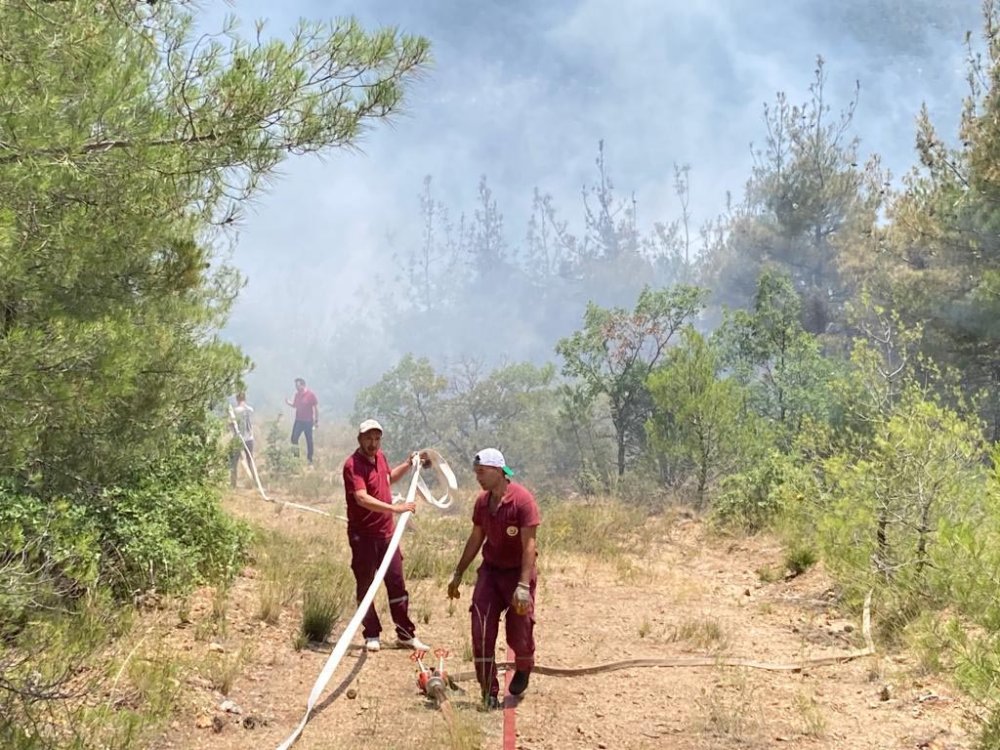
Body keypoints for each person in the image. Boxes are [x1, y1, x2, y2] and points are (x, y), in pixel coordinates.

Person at [448, 448, 541, 709]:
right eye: (476, 472)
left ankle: (523, 667)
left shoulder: (523, 501)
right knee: (481, 628)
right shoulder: (482, 502)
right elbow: (476, 538)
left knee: (519, 630)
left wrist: (523, 586)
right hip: (491, 572)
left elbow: (529, 546)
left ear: (499, 470)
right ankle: (488, 690)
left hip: (517, 574)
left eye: (483, 472)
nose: (478, 477)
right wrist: (458, 572)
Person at [342, 418, 430, 653]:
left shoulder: (380, 457)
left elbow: (388, 479)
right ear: (359, 439)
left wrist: (409, 464)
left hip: (387, 535)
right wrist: (395, 509)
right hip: (363, 536)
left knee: (396, 582)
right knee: (366, 584)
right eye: (368, 439)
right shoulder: (353, 465)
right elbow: (361, 497)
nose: (373, 443)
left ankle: (405, 634)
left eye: (377, 438)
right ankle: (371, 633)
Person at [285, 377, 318, 465]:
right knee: (294, 438)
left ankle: (310, 459)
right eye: (295, 386)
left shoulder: (310, 395)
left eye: (298, 385)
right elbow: (295, 405)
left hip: (308, 421)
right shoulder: (297, 395)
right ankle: (296, 458)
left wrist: (316, 420)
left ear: (303, 385)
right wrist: (289, 403)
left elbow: (315, 407)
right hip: (299, 420)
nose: (296, 387)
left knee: (309, 440)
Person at [229, 392, 255, 488]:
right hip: (249, 438)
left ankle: (233, 484)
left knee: (234, 462)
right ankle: (253, 483)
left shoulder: (235, 411)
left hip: (238, 439)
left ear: (237, 400)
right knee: (250, 460)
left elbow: (231, 424)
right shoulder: (250, 409)